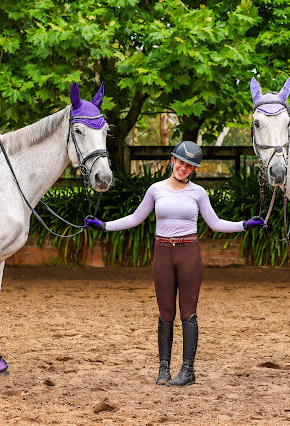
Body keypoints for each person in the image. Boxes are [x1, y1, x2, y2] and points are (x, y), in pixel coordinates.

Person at [85, 141, 265, 386]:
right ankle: (164, 369)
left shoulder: (198, 193)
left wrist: (243, 225)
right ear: (172, 161)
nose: (183, 167)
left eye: (189, 165)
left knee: (188, 313)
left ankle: (188, 371)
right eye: (180, 162)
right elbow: (136, 218)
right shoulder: (155, 189)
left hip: (189, 253)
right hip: (162, 254)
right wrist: (105, 225)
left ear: (193, 170)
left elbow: (215, 223)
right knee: (165, 312)